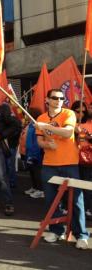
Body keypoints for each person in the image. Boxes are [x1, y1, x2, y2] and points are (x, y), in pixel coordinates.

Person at [36, 89, 89, 249]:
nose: (59, 100)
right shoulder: (41, 118)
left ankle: (81, 235)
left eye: (61, 98)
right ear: (47, 100)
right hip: (49, 164)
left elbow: (67, 133)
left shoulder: (69, 114)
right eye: (55, 98)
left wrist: (47, 127)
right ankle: (56, 230)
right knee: (51, 200)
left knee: (76, 200)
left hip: (69, 163)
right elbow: (40, 141)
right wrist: (47, 144)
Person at [71, 101, 92, 220]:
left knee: (86, 185)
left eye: (83, 111)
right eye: (78, 111)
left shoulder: (89, 123)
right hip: (72, 159)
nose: (81, 114)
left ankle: (87, 208)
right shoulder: (68, 123)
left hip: (86, 160)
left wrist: (89, 138)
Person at [23, 108, 44, 199]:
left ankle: (41, 190)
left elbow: (36, 142)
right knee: (31, 171)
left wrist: (34, 154)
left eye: (27, 113)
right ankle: (35, 187)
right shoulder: (30, 124)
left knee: (37, 171)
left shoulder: (37, 125)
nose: (25, 115)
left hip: (35, 153)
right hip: (29, 151)